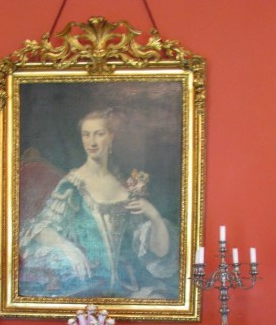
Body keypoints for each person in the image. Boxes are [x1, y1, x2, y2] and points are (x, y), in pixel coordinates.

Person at [19, 108, 178, 299]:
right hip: (88, 283)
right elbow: (40, 229)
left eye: (99, 134)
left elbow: (159, 252)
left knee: (158, 299)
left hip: (129, 283)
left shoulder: (124, 187)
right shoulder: (73, 184)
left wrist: (155, 217)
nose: (92, 142)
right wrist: (68, 248)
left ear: (111, 137)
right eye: (86, 135)